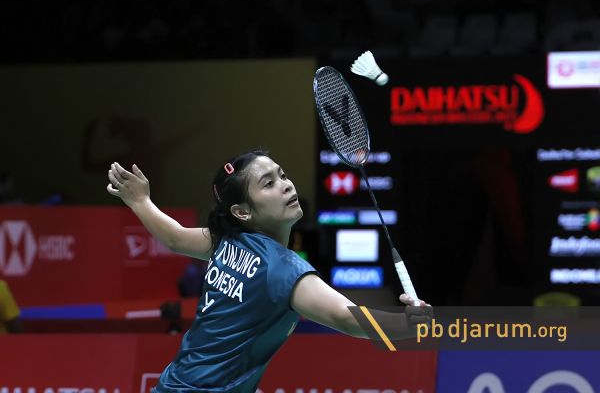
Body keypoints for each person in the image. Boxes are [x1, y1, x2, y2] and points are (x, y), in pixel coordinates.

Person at [107, 150, 429, 392]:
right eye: (269, 183)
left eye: (282, 175)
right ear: (242, 211)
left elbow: (175, 238)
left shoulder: (225, 241)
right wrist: (411, 325)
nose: (286, 185)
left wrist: (140, 202)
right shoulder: (282, 270)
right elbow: (346, 319)